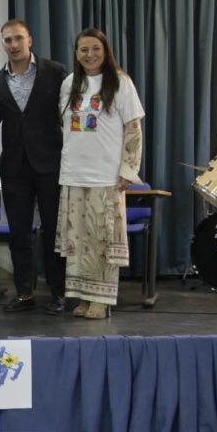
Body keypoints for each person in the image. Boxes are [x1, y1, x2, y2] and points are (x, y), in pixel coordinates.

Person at [56, 28, 145, 319]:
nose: (89, 55)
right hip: (73, 174)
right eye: (83, 50)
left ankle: (101, 299)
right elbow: (64, 127)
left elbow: (133, 129)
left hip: (105, 176)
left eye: (95, 49)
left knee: (102, 240)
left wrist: (129, 168)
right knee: (78, 242)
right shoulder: (70, 83)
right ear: (76, 53)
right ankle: (82, 297)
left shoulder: (120, 82)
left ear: (105, 51)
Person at [0, 19, 69, 315]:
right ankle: (24, 293)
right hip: (15, 167)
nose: (14, 45)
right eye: (8, 40)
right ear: (3, 44)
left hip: (51, 163)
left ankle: (59, 293)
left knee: (53, 232)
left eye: (18, 38)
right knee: (19, 233)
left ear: (30, 40)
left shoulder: (56, 72)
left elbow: (75, 112)